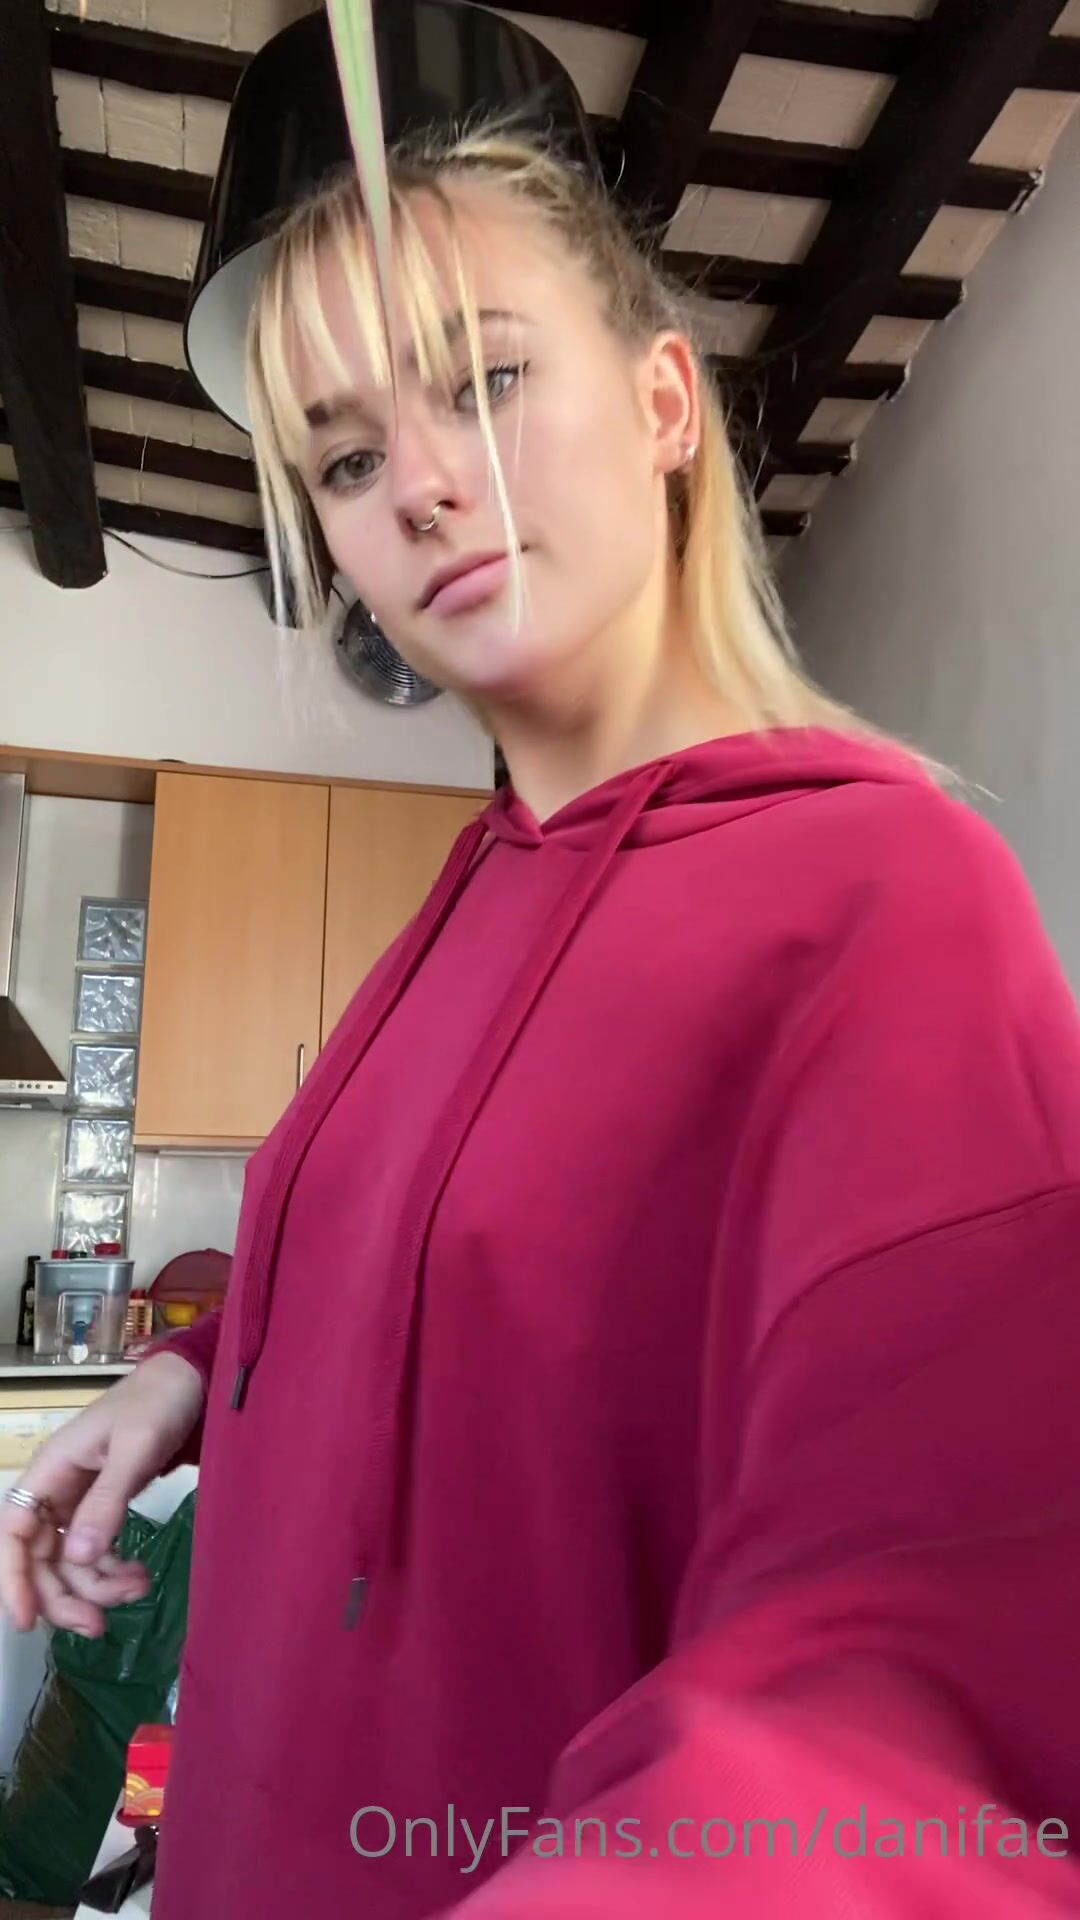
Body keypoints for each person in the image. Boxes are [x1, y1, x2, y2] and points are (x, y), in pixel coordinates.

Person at [3, 122, 1080, 1918]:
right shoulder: (453, 904)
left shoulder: (889, 899)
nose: (418, 487)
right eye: (347, 457)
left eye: (485, 382)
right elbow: (447, 1295)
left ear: (664, 404)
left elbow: (930, 1689)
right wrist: (187, 1381)